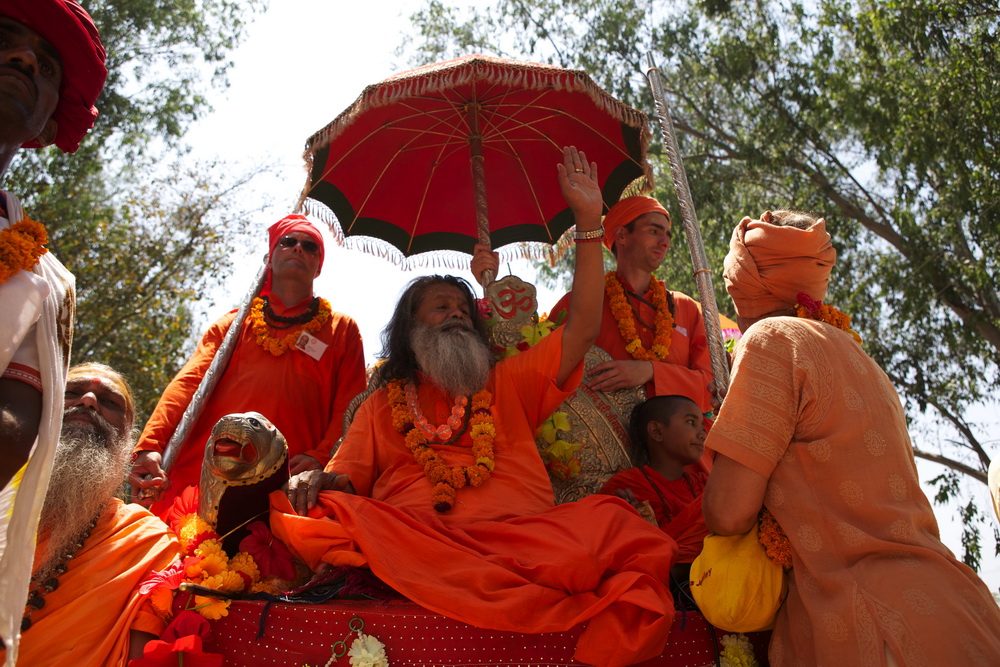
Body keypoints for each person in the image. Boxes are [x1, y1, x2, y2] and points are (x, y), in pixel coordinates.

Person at [270, 147, 679, 667]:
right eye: (441, 308)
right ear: (412, 330)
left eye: (464, 310)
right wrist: (318, 480)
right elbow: (347, 481)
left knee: (615, 527)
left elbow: (580, 330)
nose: (458, 316)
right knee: (308, 510)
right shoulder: (381, 407)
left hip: (520, 540)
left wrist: (588, 224)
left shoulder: (507, 384)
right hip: (415, 537)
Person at [702, 209, 1000, 666]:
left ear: (744, 282)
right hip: (957, 609)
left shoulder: (770, 339)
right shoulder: (862, 358)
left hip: (868, 625)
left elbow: (728, 511)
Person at [130, 214, 367, 516]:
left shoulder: (342, 330)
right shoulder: (233, 325)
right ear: (270, 256)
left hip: (289, 485)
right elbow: (187, 386)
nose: (298, 249)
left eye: (310, 247)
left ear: (319, 266)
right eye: (288, 242)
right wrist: (151, 444)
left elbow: (350, 408)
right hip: (204, 478)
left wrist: (321, 458)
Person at [0, 0, 107, 656]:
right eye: (5, 40)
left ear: (48, 115)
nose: (20, 61)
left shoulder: (46, 281)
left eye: (44, 66)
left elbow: (12, 430)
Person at [1, 363, 180, 665]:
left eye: (109, 402)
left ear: (128, 438)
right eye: (71, 392)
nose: (88, 401)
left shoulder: (146, 541)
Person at [549, 196, 715, 413]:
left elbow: (713, 387)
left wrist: (651, 372)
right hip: (599, 442)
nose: (665, 242)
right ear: (622, 235)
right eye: (654, 231)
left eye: (667, 234)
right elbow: (548, 375)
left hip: (677, 445)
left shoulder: (687, 308)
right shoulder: (576, 303)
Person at [599, 394, 710, 568]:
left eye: (702, 427)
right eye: (691, 423)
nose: (702, 435)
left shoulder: (705, 484)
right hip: (663, 577)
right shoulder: (629, 485)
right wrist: (629, 519)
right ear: (657, 431)